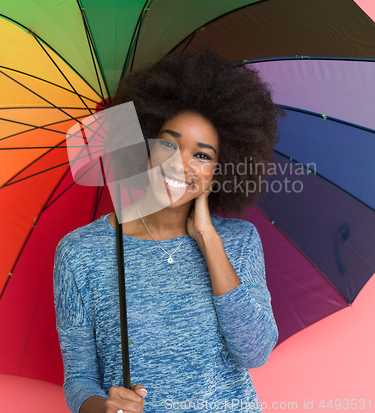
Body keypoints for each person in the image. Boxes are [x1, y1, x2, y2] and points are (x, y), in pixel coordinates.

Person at [54, 47, 282, 413]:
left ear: (221, 168)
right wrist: (103, 408)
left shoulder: (238, 242)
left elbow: (254, 352)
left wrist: (208, 239)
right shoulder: (81, 252)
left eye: (202, 155)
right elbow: (79, 377)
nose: (179, 164)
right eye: (167, 143)